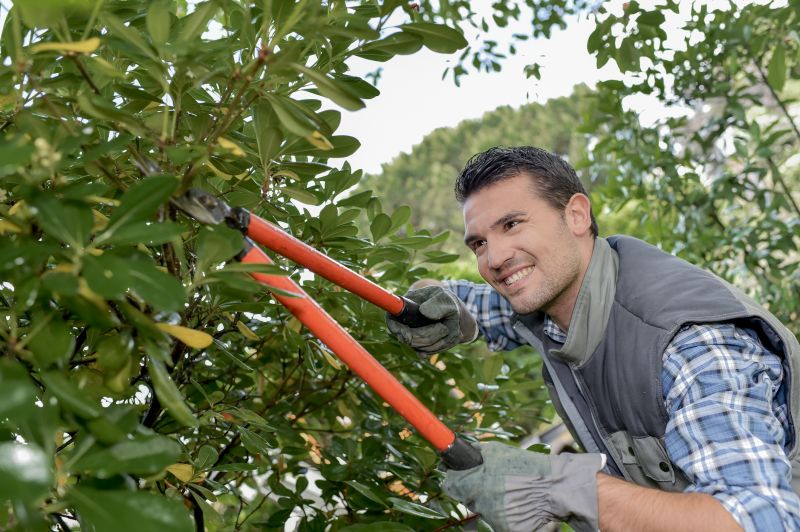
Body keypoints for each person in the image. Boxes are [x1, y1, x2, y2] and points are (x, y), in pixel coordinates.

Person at [385, 146, 800, 531]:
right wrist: (447, 307)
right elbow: (494, 308)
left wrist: (557, 489)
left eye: (512, 224)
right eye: (479, 243)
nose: (494, 259)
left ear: (577, 215)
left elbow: (762, 520)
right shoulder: (556, 299)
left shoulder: (690, 346)